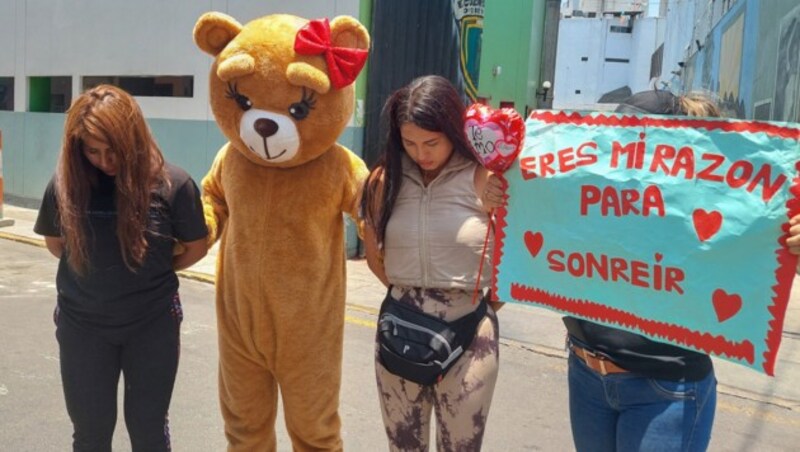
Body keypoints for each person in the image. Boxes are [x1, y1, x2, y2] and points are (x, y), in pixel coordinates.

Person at [33, 84, 208, 452]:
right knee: (90, 433)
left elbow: (196, 247)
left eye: (114, 149)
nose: (105, 160)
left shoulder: (173, 184)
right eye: (93, 151)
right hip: (83, 327)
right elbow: (57, 245)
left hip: (152, 326)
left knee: (148, 430)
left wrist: (154, 269)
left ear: (134, 138)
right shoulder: (66, 185)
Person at [360, 75, 502, 450]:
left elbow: (514, 252)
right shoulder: (384, 181)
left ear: (453, 131)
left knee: (461, 445)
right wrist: (407, 292)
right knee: (403, 444)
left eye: (431, 142)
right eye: (409, 143)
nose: (421, 153)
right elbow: (374, 253)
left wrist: (484, 306)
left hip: (469, 330)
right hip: (400, 326)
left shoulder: (484, 178)